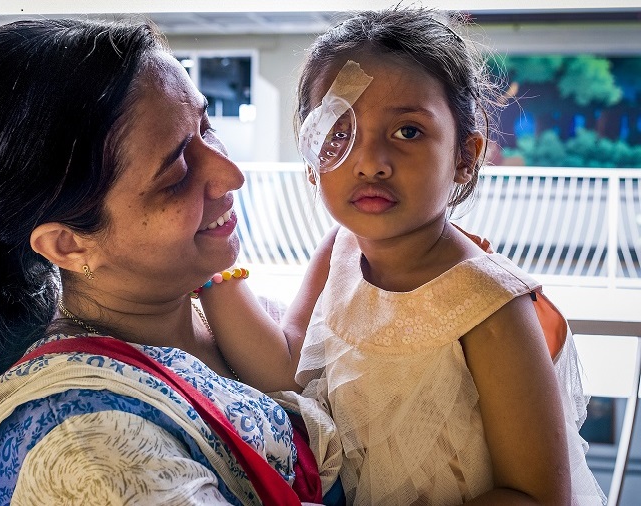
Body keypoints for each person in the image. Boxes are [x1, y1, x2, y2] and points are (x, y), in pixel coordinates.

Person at [0, 18, 343, 505]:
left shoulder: (213, 309)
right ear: (67, 244)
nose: (231, 174)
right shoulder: (88, 458)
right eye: (174, 173)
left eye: (206, 125)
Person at [197, 7, 607, 505]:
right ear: (311, 159)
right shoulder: (340, 251)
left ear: (464, 157)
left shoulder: (490, 305)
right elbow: (287, 368)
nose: (370, 162)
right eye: (338, 134)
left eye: (408, 131)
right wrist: (207, 267)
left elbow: (536, 495)